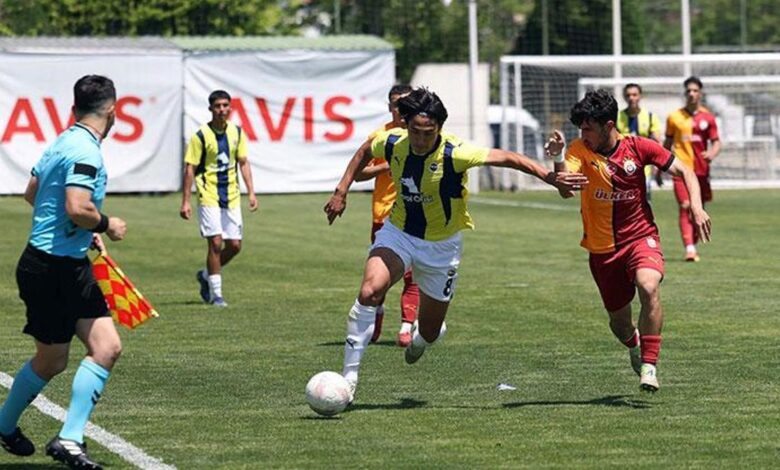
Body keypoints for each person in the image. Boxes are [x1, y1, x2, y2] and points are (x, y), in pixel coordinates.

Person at [324, 87, 585, 400]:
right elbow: (364, 151)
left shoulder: (455, 152)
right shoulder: (392, 141)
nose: (420, 139)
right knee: (369, 291)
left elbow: (508, 158)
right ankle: (348, 380)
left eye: (428, 133)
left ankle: (423, 336)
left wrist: (548, 176)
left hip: (442, 247)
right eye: (416, 132)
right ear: (406, 126)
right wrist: (341, 191)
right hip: (399, 233)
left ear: (439, 129)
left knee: (431, 332)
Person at [0, 75, 127, 469]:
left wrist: (77, 235)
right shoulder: (87, 150)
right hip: (57, 269)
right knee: (95, 351)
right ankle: (68, 439)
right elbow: (76, 205)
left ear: (74, 109)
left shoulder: (61, 141)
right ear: (113, 112)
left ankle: (8, 426)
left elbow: (33, 193)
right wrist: (105, 224)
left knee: (61, 358)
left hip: (51, 263)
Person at [546, 89, 712, 392]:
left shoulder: (639, 147)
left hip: (640, 237)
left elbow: (685, 170)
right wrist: (558, 158)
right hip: (602, 250)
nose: (583, 134)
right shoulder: (578, 150)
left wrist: (697, 208)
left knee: (649, 286)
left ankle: (650, 365)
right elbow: (566, 189)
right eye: (580, 129)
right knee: (619, 325)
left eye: (588, 128)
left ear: (609, 125)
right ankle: (634, 343)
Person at [352, 84, 420, 347]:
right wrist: (387, 164)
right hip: (384, 218)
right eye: (395, 103)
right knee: (379, 278)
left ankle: (406, 326)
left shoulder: (422, 134)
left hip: (415, 217)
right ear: (389, 107)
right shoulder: (380, 136)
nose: (400, 108)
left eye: (406, 102)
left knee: (413, 275)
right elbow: (360, 172)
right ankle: (377, 313)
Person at [180, 90, 258, 307]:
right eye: (218, 106)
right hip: (208, 194)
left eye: (225, 105)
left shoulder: (237, 133)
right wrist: (186, 200)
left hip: (231, 196)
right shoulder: (201, 136)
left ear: (230, 107)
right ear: (210, 109)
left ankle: (205, 275)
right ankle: (217, 294)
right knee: (215, 242)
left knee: (234, 245)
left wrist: (251, 192)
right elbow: (190, 168)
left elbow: (243, 162)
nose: (222, 110)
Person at [663, 76, 721, 262]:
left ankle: (693, 244)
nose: (691, 94)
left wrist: (712, 153)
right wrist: (659, 166)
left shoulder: (708, 117)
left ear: (700, 93)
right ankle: (689, 248)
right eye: (688, 91)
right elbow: (667, 143)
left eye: (695, 91)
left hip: (702, 171)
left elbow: (716, 142)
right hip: (681, 170)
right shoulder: (674, 117)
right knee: (685, 205)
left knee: (699, 209)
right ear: (685, 93)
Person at [616, 83, 663, 200]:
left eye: (634, 94)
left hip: (644, 169)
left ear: (640, 96)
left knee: (644, 202)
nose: (631, 98)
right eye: (628, 95)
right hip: (620, 168)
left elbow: (658, 143)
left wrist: (658, 167)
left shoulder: (650, 117)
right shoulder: (617, 117)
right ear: (624, 97)